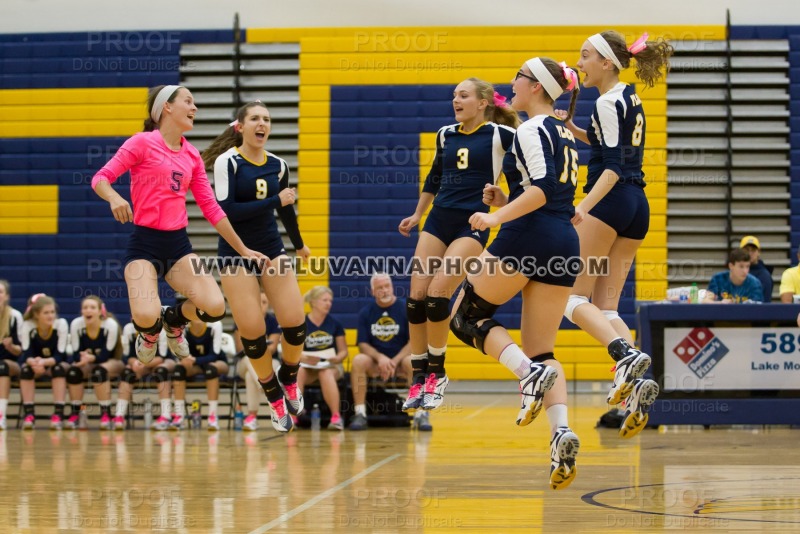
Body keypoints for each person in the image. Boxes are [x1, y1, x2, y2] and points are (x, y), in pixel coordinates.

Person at [450, 57, 582, 489]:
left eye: (520, 78)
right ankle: (560, 431)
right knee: (543, 349)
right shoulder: (562, 129)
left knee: (465, 317)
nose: (513, 83)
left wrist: (494, 217)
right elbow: (551, 190)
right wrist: (505, 197)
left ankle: (526, 374)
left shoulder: (530, 128)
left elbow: (543, 190)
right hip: (564, 240)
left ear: (538, 87)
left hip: (529, 234)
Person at [90, 85, 268, 369]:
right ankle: (149, 333)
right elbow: (101, 177)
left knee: (215, 307)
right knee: (147, 316)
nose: (195, 107)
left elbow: (211, 209)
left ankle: (174, 321)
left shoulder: (192, 156)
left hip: (178, 247)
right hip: (143, 245)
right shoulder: (141, 143)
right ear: (167, 108)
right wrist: (113, 197)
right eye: (189, 101)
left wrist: (244, 249)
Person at [555, 30, 670, 430]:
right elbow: (613, 149)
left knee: (571, 300)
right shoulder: (628, 97)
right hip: (638, 205)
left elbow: (610, 168)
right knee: (605, 308)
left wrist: (581, 208)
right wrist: (573, 128)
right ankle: (637, 378)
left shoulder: (605, 101)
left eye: (585, 55)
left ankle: (623, 355)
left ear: (606, 62)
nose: (580, 62)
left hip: (610, 201)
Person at [398, 78, 519, 414]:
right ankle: (419, 376)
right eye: (454, 96)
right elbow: (434, 177)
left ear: (483, 103)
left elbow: (528, 173)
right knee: (415, 300)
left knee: (438, 296)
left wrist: (505, 202)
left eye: (463, 95)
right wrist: (417, 213)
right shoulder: (445, 134)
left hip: (472, 224)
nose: (456, 100)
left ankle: (438, 373)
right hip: (438, 220)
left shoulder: (500, 135)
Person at [202, 100, 310, 433]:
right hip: (236, 252)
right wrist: (275, 201)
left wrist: (299, 244)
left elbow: (286, 211)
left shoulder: (277, 165)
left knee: (294, 323)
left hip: (271, 249)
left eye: (267, 119)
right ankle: (274, 396)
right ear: (241, 126)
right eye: (255, 119)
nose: (262, 124)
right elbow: (228, 211)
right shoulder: (228, 162)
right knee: (253, 332)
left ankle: (288, 378)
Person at [349, 273, 419, 431]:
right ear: (373, 291)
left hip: (400, 363)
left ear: (392, 287)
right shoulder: (366, 313)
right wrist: (380, 358)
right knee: (359, 360)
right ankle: (360, 414)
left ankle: (420, 415)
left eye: (387, 286)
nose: (385, 290)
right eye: (380, 288)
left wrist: (393, 361)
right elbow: (363, 344)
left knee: (413, 362)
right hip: (376, 364)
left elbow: (414, 342)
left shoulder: (406, 309)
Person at [65, 296, 125, 430]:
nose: (88, 311)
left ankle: (106, 414)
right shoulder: (76, 324)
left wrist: (90, 358)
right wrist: (82, 358)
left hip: (112, 362)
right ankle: (79, 411)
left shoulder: (110, 325)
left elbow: (105, 355)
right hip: (88, 362)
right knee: (73, 372)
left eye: (92, 307)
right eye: (85, 308)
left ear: (100, 311)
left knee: (99, 371)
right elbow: (75, 353)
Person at [297, 286, 348, 430]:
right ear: (313, 302)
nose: (328, 304)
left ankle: (336, 417)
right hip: (309, 366)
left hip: (331, 366)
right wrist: (305, 358)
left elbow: (344, 351)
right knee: (298, 371)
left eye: (330, 301)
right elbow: (296, 352)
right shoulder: (302, 323)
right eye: (324, 300)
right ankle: (294, 413)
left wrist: (337, 358)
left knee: (324, 372)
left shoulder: (335, 323)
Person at [170, 309, 229, 430]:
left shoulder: (215, 325)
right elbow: (178, 351)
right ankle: (179, 416)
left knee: (211, 369)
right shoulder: (183, 327)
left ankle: (213, 416)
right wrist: (184, 359)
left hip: (216, 362)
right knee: (178, 370)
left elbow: (215, 355)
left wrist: (194, 360)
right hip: (195, 365)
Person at [18, 294, 70, 429]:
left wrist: (43, 362)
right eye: (46, 312)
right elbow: (26, 354)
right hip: (35, 365)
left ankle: (58, 415)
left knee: (58, 369)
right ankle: (29, 415)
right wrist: (35, 363)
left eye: (52, 312)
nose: (50, 315)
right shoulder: (28, 326)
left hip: (55, 363)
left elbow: (60, 355)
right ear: (36, 314)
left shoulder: (61, 324)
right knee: (25, 370)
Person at [234, 292, 282, 431]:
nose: (261, 305)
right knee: (251, 359)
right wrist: (259, 348)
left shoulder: (273, 321)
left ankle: (252, 417)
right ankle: (268, 389)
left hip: (270, 361)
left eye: (264, 302)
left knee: (252, 374)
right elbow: (240, 348)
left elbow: (272, 349)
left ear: (269, 305)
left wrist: (255, 346)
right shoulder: (241, 320)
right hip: (245, 361)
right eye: (258, 302)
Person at [113, 323, 174, 430]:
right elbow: (128, 356)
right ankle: (119, 416)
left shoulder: (161, 329)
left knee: (161, 371)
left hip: (161, 361)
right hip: (140, 362)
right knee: (127, 373)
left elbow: (162, 357)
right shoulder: (129, 329)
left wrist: (144, 363)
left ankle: (166, 416)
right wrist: (134, 363)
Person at [0, 280, 23, 430]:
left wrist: (10, 346)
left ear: (7, 296)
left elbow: (21, 351)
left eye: (0, 292)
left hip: (11, 363)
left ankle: (1, 415)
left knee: (2, 367)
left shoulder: (15, 316)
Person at [739, 236, 773, 302]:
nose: (750, 253)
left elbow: (764, 303)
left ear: (759, 252)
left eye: (753, 250)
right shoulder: (734, 271)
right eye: (746, 250)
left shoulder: (764, 275)